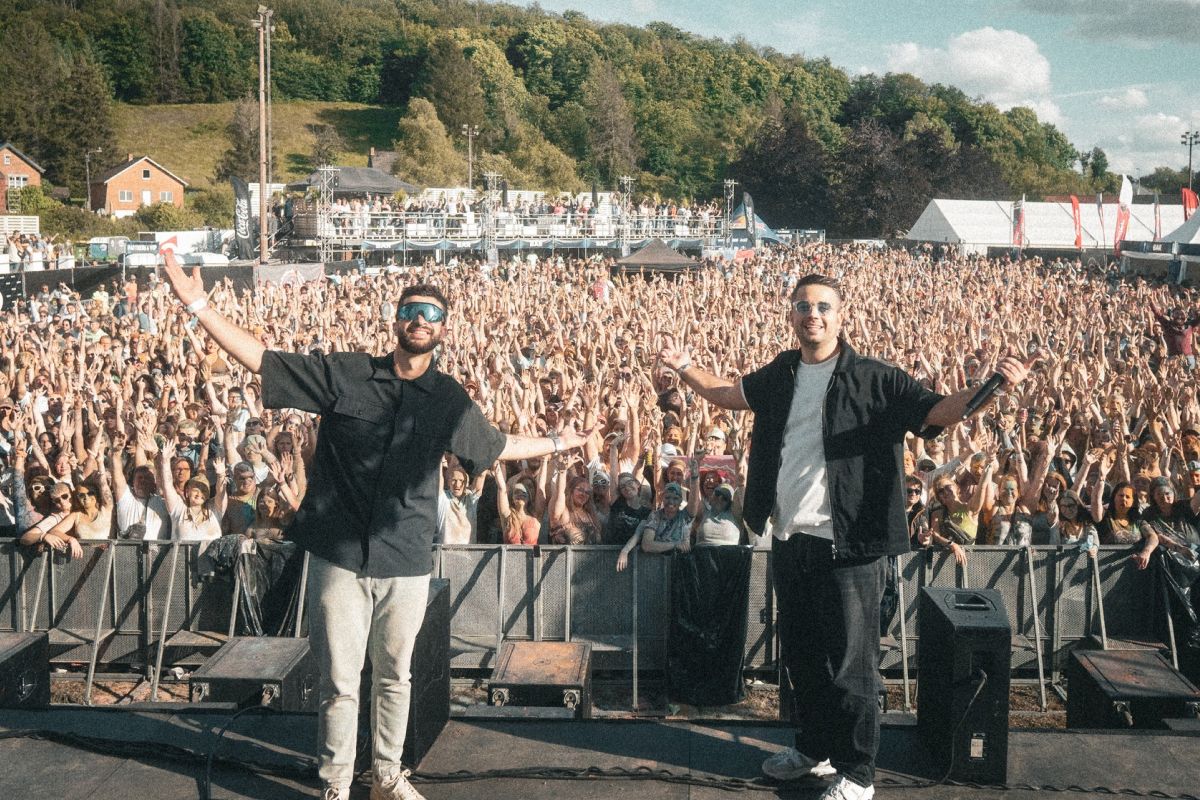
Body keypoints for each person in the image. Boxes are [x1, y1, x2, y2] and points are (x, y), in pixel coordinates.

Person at [161, 252, 592, 800]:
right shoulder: (347, 374)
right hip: (339, 555)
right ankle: (336, 784)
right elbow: (262, 360)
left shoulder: (449, 399)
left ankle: (388, 776)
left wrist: (562, 442)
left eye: (432, 314)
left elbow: (499, 446)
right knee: (339, 682)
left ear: (443, 329)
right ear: (396, 319)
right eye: (412, 310)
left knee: (395, 675)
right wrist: (196, 303)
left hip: (406, 557)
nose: (421, 320)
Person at [656, 273, 1029, 800]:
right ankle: (813, 749)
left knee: (852, 665)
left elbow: (936, 413)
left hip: (850, 542)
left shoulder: (874, 378)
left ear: (841, 314)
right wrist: (684, 366)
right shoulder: (782, 373)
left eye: (824, 306)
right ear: (791, 314)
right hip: (791, 537)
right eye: (804, 306)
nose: (814, 314)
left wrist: (992, 388)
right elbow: (728, 394)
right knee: (803, 656)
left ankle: (857, 772)